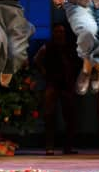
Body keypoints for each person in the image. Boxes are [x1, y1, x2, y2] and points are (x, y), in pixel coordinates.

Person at [34, 23, 80, 155]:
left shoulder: (70, 47)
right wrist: (44, 72)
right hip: (52, 84)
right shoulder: (47, 46)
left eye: (61, 32)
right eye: (57, 32)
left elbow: (76, 62)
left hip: (67, 85)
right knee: (49, 116)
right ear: (53, 33)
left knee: (70, 117)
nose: (59, 34)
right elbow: (37, 59)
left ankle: (68, 147)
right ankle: (49, 147)